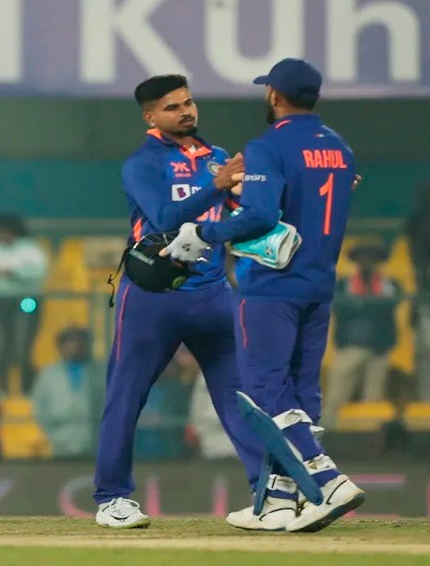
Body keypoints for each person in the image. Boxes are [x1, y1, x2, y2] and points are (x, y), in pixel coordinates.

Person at [163, 57, 364, 532]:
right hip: (319, 283)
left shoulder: (268, 146)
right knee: (300, 390)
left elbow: (257, 216)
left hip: (272, 285)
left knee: (264, 388)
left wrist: (204, 234)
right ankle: (278, 499)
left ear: (274, 95)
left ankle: (327, 479)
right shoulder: (340, 147)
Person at [93, 74, 263, 530]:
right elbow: (165, 216)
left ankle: (269, 491)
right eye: (172, 107)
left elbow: (243, 213)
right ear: (150, 116)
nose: (185, 111)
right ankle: (112, 498)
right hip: (153, 295)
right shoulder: (142, 163)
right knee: (126, 395)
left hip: (212, 292)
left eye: (188, 102)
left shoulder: (218, 157)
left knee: (239, 395)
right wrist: (219, 185)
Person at [324, 242, 402, 425]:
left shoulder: (389, 285)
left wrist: (361, 305)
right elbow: (339, 310)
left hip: (380, 347)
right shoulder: (344, 285)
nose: (367, 263)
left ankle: (367, 433)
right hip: (350, 346)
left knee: (373, 398)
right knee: (337, 395)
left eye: (372, 259)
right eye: (363, 259)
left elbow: (394, 304)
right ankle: (328, 429)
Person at [0, 213, 49, 394]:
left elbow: (39, 273)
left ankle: (27, 390)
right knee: (0, 348)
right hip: (0, 303)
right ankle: (2, 390)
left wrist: (13, 273)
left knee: (23, 346)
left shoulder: (31, 251)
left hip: (26, 301)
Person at [30, 327, 103, 459]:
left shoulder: (100, 372)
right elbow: (39, 408)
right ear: (61, 347)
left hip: (93, 443)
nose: (75, 346)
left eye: (80, 342)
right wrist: (53, 433)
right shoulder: (48, 375)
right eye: (70, 342)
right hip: (60, 442)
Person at [406, 181, 430, 401]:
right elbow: (418, 256)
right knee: (427, 353)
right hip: (428, 294)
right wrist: (429, 271)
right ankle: (428, 403)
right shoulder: (419, 221)